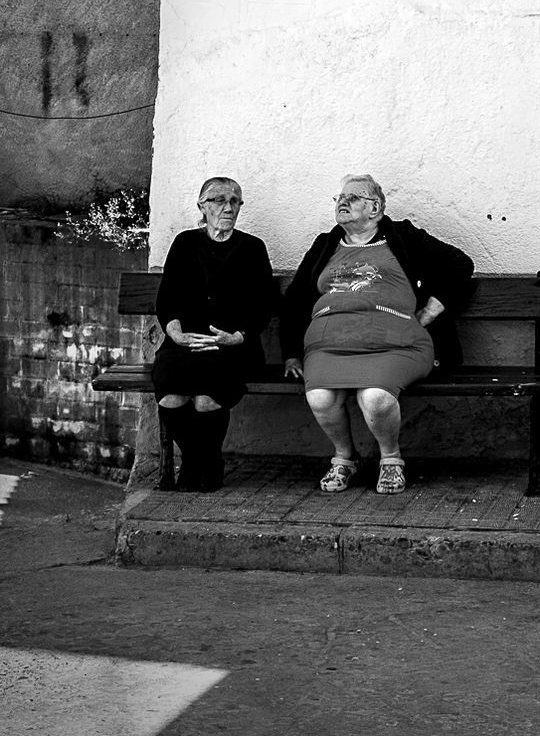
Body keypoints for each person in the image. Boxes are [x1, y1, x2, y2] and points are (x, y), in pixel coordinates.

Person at [281, 174, 474, 495]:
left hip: (395, 344)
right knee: (319, 397)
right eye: (340, 198)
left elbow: (459, 265)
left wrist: (430, 310)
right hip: (329, 346)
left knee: (376, 398)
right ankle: (344, 458)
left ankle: (391, 458)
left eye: (354, 198)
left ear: (376, 209)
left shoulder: (403, 236)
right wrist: (290, 351)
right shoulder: (325, 244)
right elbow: (296, 300)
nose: (343, 202)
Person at [152, 177, 277, 492]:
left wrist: (236, 336)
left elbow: (264, 305)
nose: (228, 207)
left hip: (234, 346)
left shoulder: (252, 248)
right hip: (186, 343)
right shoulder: (185, 243)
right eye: (219, 200)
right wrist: (175, 332)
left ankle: (197, 467)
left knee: (207, 399)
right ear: (202, 207)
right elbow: (167, 300)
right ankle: (204, 462)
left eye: (234, 201)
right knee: (170, 395)